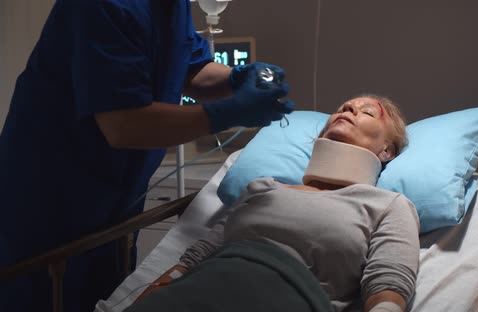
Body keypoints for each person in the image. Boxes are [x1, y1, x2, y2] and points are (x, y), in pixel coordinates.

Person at [0, 0, 293, 311]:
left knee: (106, 298)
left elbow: (191, 66)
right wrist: (227, 112)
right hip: (47, 200)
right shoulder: (103, 7)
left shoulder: (170, 5)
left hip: (114, 203)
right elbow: (123, 124)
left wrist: (237, 78)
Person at [127, 95, 419, 312]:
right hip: (195, 292)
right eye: (344, 108)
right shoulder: (263, 188)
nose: (348, 110)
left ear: (386, 151)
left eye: (367, 112)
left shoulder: (388, 205)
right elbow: (196, 258)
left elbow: (387, 288)